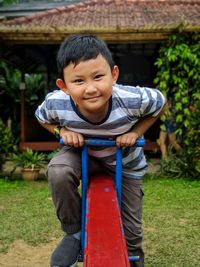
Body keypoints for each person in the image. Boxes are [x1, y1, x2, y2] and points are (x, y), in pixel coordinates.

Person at [35, 34, 165, 267]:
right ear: (63, 86)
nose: (91, 89)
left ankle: (133, 257)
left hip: (125, 163)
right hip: (82, 155)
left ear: (114, 75)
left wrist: (135, 133)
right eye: (78, 81)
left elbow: (160, 103)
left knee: (132, 231)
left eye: (98, 77)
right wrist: (62, 131)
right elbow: (41, 117)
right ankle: (74, 232)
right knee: (58, 171)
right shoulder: (57, 103)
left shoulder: (132, 99)